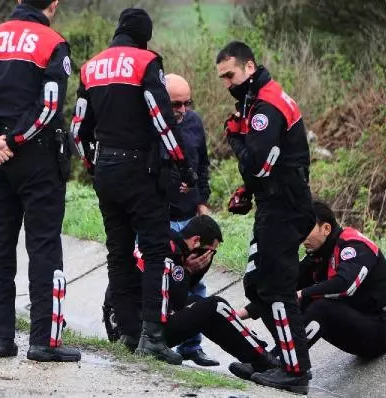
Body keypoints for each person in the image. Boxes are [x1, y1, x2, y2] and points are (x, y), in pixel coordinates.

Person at [0, 0, 80, 362]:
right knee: (43, 247)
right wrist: (14, 140)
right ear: (53, 4)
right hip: (36, 157)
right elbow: (50, 106)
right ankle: (44, 341)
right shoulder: (52, 42)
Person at [71, 8, 197, 365]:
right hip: (141, 169)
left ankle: (127, 332)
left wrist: (95, 166)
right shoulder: (146, 62)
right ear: (145, 36)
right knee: (156, 251)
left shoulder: (91, 66)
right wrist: (183, 168)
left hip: (106, 170)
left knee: (119, 253)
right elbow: (160, 119)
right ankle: (152, 337)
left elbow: (78, 129)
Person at [216, 41, 315, 394]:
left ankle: (295, 370)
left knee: (276, 288)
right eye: (222, 77)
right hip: (274, 201)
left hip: (285, 207)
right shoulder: (255, 100)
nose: (226, 82)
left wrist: (235, 139)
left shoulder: (266, 106)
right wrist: (248, 190)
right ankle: (279, 359)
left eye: (230, 74)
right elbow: (264, 166)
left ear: (249, 68)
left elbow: (258, 161)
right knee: (257, 282)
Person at [231, 200, 386, 381]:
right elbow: (284, 289)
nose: (301, 237)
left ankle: (282, 366)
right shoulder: (318, 255)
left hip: (382, 332)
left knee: (319, 305)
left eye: (306, 230)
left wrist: (302, 294)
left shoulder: (354, 245)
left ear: (326, 229)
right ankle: (267, 361)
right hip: (357, 328)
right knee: (284, 299)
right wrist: (240, 314)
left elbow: (345, 285)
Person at [103, 215, 280, 373]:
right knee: (215, 305)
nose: (209, 258)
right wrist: (187, 270)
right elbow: (177, 301)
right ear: (196, 241)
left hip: (122, 329)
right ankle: (264, 361)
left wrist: (187, 273)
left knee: (198, 302)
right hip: (139, 335)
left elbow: (171, 295)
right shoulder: (171, 251)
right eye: (210, 251)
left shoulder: (162, 242)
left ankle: (255, 355)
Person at [163, 73, 216, 366]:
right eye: (175, 104)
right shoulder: (150, 126)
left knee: (196, 282)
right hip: (160, 220)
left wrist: (203, 203)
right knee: (167, 283)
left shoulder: (194, 122)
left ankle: (192, 346)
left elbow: (203, 166)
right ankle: (158, 339)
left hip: (189, 218)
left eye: (186, 103)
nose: (182, 110)